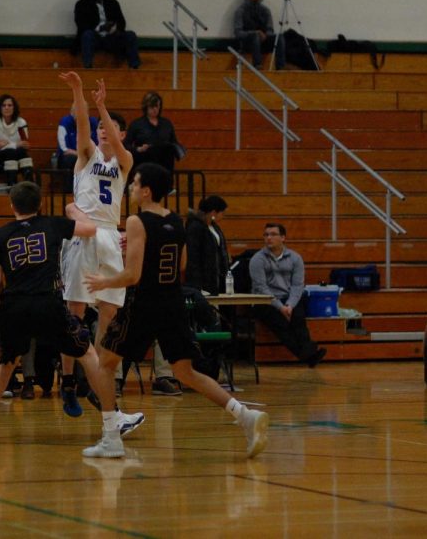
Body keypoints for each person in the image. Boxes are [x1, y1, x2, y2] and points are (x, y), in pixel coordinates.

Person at [86, 162, 270, 458]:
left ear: (146, 191)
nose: (131, 188)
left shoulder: (137, 221)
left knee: (104, 365)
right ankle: (245, 415)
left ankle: (111, 438)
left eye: (134, 184)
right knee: (185, 371)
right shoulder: (176, 220)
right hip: (172, 303)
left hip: (144, 302)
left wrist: (104, 281)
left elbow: (132, 275)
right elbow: (181, 265)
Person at [0, 181, 99, 441]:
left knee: (6, 361)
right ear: (39, 204)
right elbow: (91, 229)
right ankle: (113, 414)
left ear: (11, 206)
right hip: (46, 302)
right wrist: (74, 210)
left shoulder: (0, 234)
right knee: (84, 348)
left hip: (14, 305)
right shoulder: (52, 224)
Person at [58, 72, 134, 422]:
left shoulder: (124, 162)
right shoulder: (86, 156)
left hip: (109, 237)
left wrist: (103, 107)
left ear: (121, 134)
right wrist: (79, 92)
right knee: (74, 312)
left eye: (111, 128)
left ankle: (99, 378)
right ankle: (68, 381)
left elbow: (117, 145)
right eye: (102, 127)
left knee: (109, 313)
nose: (103, 131)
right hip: (83, 234)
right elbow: (84, 128)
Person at [250, 223, 327, 366]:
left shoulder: (295, 258)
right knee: (281, 324)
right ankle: (309, 355)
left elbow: (298, 285)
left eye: (273, 234)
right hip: (265, 301)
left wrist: (290, 305)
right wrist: (280, 307)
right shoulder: (257, 259)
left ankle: (308, 356)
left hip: (288, 298)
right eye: (266, 235)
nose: (268, 238)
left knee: (298, 318)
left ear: (283, 237)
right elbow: (261, 287)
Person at [74, 0, 140, 69]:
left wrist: (114, 28)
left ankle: (134, 66)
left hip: (111, 37)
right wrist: (101, 27)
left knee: (130, 35)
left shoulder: (112, 2)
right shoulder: (82, 4)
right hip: (95, 38)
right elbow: (81, 25)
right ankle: (88, 66)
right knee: (87, 35)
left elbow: (122, 22)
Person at [124, 91, 182, 174]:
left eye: (158, 106)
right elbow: (126, 145)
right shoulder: (136, 124)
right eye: (152, 106)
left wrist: (177, 150)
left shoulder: (167, 124)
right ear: (146, 107)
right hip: (144, 165)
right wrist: (138, 149)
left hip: (165, 166)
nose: (155, 109)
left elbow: (174, 142)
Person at [184, 195, 230, 295]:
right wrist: (197, 283)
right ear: (213, 212)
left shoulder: (215, 227)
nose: (223, 216)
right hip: (199, 280)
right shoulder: (194, 227)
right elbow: (193, 257)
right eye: (222, 213)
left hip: (215, 277)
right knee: (192, 306)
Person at [234, 0, 285, 70]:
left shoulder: (265, 10)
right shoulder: (240, 11)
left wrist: (265, 35)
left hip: (263, 40)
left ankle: (280, 68)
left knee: (279, 38)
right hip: (247, 43)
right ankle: (257, 66)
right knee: (255, 36)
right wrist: (255, 33)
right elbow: (238, 33)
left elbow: (270, 29)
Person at [0, 94, 34, 186]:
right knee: (11, 151)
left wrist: (7, 144)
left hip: (17, 156)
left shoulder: (21, 122)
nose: (7, 108)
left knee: (21, 152)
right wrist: (15, 145)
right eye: (4, 105)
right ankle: (12, 185)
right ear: (0, 108)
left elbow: (24, 144)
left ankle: (29, 183)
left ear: (14, 107)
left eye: (10, 105)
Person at [57, 102, 98, 173]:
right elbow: (64, 149)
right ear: (72, 114)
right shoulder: (65, 122)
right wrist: (81, 155)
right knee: (72, 160)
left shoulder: (94, 123)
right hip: (71, 157)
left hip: (91, 155)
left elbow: (99, 145)